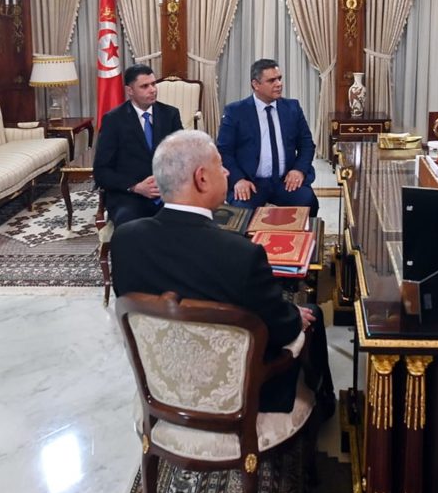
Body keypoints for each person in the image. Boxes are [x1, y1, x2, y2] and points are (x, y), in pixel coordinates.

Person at [111, 130, 334, 417]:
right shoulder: (241, 254)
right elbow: (282, 330)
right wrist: (292, 315)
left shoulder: (125, 240)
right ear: (202, 178)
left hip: (163, 388)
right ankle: (324, 407)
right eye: (220, 164)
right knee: (311, 313)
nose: (227, 171)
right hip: (244, 394)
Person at [216, 58, 318, 214]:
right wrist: (238, 180)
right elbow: (224, 151)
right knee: (240, 212)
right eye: (272, 80)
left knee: (308, 201)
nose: (279, 84)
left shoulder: (292, 108)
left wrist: (298, 170)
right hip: (251, 182)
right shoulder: (236, 111)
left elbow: (306, 145)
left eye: (279, 78)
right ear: (255, 84)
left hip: (285, 180)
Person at [93, 64, 185, 225]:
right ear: (130, 91)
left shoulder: (170, 114)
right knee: (130, 226)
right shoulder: (113, 120)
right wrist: (135, 187)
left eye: (154, 84)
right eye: (145, 86)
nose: (153, 90)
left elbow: (183, 157)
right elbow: (101, 171)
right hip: (129, 196)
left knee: (190, 220)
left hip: (166, 192)